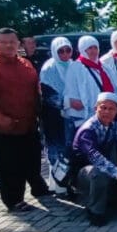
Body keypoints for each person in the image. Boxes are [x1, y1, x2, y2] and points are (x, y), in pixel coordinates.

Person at [0, 27, 50, 212]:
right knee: (9, 165)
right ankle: (14, 200)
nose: (9, 45)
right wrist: (0, 118)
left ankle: (38, 189)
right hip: (2, 127)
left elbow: (36, 91)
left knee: (32, 159)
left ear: (18, 44)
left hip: (28, 123)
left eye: (12, 42)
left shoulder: (25, 64)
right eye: (4, 42)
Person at [72, 92, 117, 226]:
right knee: (100, 175)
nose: (107, 112)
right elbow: (94, 156)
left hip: (104, 165)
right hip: (83, 172)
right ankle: (95, 211)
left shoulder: (112, 125)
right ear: (96, 108)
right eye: (103, 108)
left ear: (116, 111)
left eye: (111, 108)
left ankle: (111, 202)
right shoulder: (88, 130)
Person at [63, 36, 116, 146]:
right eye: (89, 48)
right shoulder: (76, 67)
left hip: (106, 113)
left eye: (95, 48)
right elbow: (71, 90)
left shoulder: (103, 67)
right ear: (83, 49)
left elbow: (114, 87)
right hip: (86, 116)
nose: (93, 51)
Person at [39, 36, 72, 194]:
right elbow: (48, 94)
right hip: (54, 116)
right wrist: (68, 102)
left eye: (68, 50)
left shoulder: (73, 65)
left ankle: (68, 182)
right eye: (61, 51)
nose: (65, 54)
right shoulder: (49, 68)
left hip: (71, 115)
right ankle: (59, 186)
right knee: (57, 150)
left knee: (68, 150)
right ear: (54, 51)